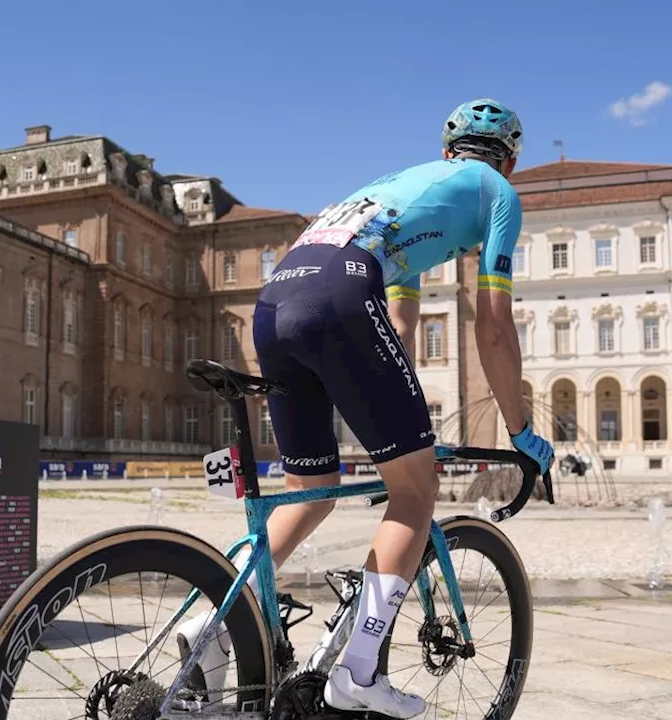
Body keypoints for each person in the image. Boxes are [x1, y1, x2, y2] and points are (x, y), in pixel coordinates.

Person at [177, 97, 555, 717]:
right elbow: (492, 328)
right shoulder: (496, 193)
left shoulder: (399, 189)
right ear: (510, 160)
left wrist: (396, 415)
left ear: (446, 152)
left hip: (277, 299)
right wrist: (519, 428)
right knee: (414, 492)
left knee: (313, 486)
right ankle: (359, 671)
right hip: (343, 291)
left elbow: (398, 328)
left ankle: (212, 623)